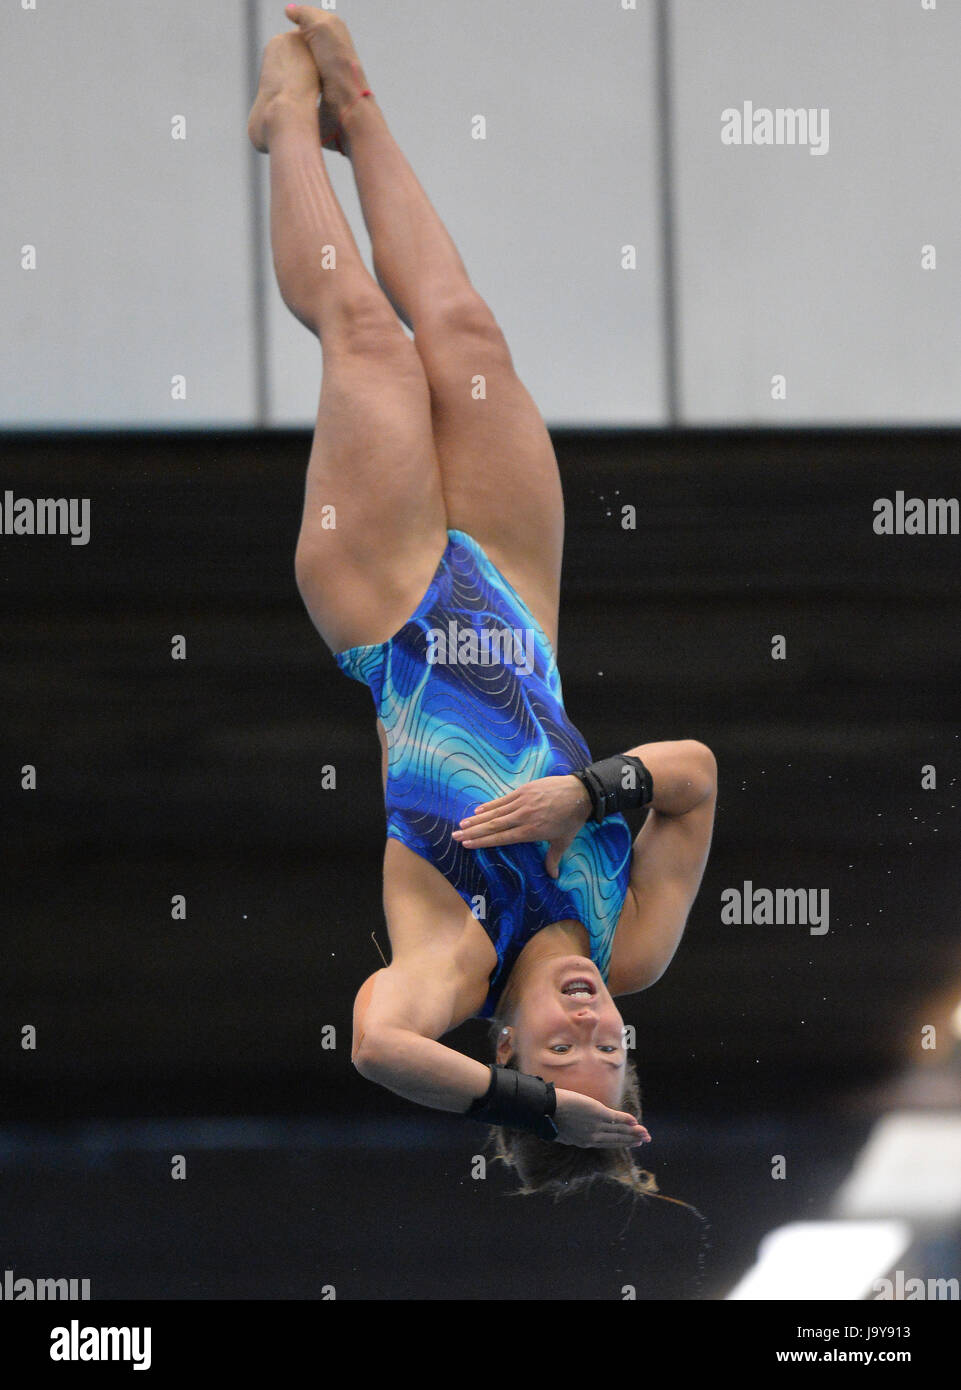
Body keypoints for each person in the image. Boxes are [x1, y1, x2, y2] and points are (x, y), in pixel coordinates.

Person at [248, 6, 717, 1197]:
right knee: (465, 333)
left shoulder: (452, 965)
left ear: (506, 1053)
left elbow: (373, 1044)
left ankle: (290, 128)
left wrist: (521, 1108)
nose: (588, 1024)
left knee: (367, 338)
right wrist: (590, 789)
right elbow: (698, 773)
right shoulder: (634, 941)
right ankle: (356, 108)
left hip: (389, 610)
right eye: (610, 1051)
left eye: (561, 1054)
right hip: (517, 592)